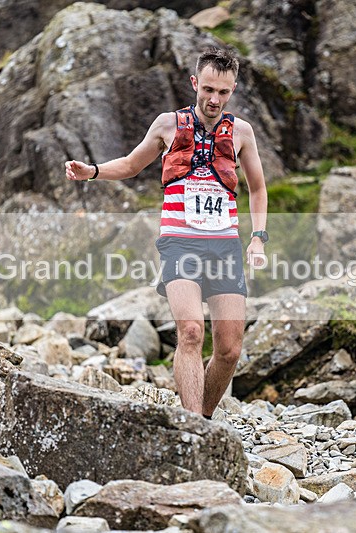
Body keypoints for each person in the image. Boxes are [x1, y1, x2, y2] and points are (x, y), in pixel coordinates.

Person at [65, 47, 268, 418]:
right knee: (191, 332)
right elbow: (130, 164)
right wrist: (91, 171)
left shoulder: (242, 132)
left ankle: (203, 418)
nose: (214, 99)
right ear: (194, 83)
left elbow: (257, 187)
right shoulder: (167, 124)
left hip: (225, 246)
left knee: (229, 350)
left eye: (223, 92)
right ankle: (194, 428)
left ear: (233, 90)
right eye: (208, 89)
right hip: (180, 241)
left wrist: (258, 236)